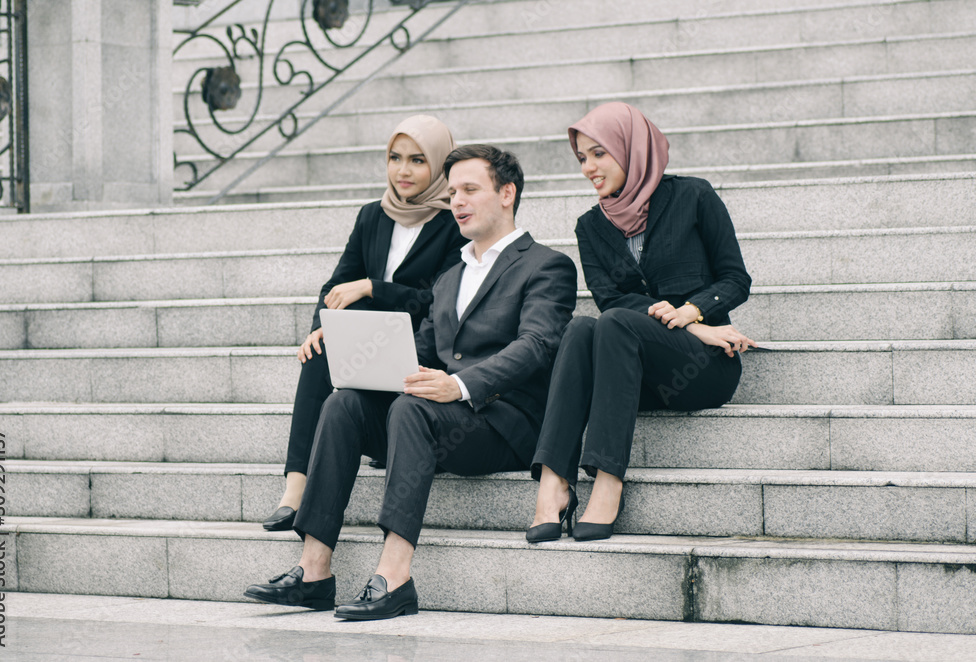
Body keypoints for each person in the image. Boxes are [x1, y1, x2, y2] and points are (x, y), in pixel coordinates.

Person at [244, 145, 578, 619]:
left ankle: (394, 577)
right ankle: (315, 571)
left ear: (507, 194)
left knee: (410, 408)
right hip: (436, 418)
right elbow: (420, 351)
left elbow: (537, 345)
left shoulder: (547, 264)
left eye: (470, 190)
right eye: (452, 192)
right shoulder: (450, 277)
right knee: (345, 404)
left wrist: (459, 386)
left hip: (502, 423)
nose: (457, 201)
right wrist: (351, 356)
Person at [525, 102, 756, 544]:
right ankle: (553, 482)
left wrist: (693, 313)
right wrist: (694, 325)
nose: (589, 168)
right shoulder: (590, 226)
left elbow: (736, 279)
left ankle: (609, 479)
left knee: (612, 323)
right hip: (632, 371)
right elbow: (612, 298)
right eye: (581, 158)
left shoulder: (693, 197)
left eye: (599, 153)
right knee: (580, 327)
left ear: (631, 148)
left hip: (703, 368)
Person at [262, 115, 468, 532]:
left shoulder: (454, 222)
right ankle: (295, 487)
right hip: (368, 341)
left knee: (348, 334)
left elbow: (439, 302)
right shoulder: (373, 215)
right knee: (320, 348)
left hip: (420, 347)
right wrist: (321, 325)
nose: (403, 171)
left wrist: (374, 288)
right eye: (394, 158)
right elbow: (335, 284)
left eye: (417, 160)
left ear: (440, 166)